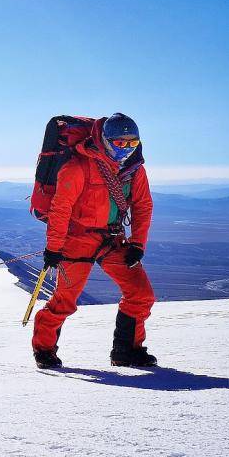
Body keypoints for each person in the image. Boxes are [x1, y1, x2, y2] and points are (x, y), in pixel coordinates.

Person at [32, 113, 156, 369]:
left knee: (141, 294)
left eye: (132, 143)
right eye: (120, 144)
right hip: (77, 239)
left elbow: (143, 205)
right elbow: (61, 208)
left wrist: (138, 244)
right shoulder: (78, 166)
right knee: (65, 300)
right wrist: (54, 248)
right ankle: (44, 350)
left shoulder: (134, 170)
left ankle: (127, 351)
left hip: (113, 239)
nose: (126, 149)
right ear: (105, 140)